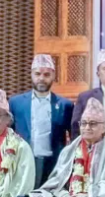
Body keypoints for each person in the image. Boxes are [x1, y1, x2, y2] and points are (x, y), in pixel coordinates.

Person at [9, 54, 74, 187]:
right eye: (37, 74)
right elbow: (9, 133)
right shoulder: (16, 103)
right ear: (31, 74)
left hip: (54, 164)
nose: (41, 78)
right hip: (24, 162)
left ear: (53, 76)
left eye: (46, 74)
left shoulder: (65, 105)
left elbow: (73, 137)